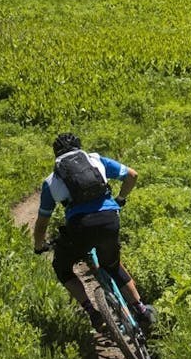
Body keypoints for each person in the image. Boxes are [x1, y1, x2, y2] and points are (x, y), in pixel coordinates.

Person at [33, 132, 155, 331]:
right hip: (109, 220)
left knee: (62, 268)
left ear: (56, 155)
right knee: (113, 264)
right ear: (80, 148)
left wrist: (39, 245)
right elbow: (132, 175)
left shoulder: (51, 181)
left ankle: (93, 313)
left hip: (80, 227)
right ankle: (141, 310)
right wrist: (120, 199)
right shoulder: (96, 160)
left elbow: (42, 222)